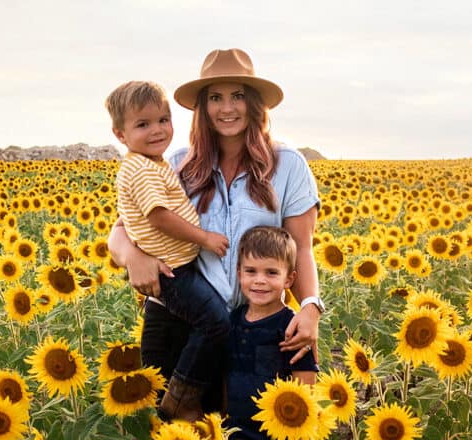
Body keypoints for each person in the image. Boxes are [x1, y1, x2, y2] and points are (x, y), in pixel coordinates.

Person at [108, 48, 324, 416]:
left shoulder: (288, 165)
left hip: (254, 324)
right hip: (183, 324)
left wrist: (310, 307)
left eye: (237, 95)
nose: (227, 108)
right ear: (202, 107)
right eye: (216, 98)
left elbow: (301, 248)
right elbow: (121, 230)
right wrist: (133, 257)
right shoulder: (175, 163)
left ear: (254, 103)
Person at [104, 80, 232, 422]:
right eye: (143, 124)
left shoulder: (155, 163)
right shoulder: (143, 168)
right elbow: (157, 217)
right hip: (174, 273)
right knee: (216, 322)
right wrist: (204, 238)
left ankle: (181, 398)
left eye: (163, 120)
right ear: (120, 134)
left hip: (181, 268)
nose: (157, 130)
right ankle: (182, 397)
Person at [226, 226, 317, 440]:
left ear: (289, 279)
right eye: (251, 271)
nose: (259, 280)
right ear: (239, 274)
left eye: (271, 273)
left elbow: (305, 386)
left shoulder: (290, 326)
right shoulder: (231, 321)